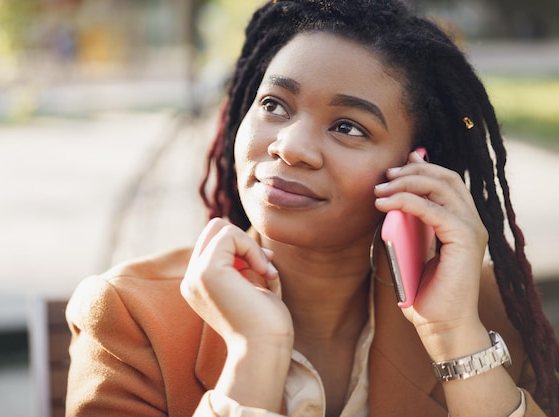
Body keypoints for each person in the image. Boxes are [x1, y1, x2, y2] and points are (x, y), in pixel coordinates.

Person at [64, 1, 559, 416]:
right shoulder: (129, 318)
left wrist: (454, 336)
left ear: (417, 168)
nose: (290, 146)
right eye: (275, 105)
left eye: (348, 127)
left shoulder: (485, 310)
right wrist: (254, 356)